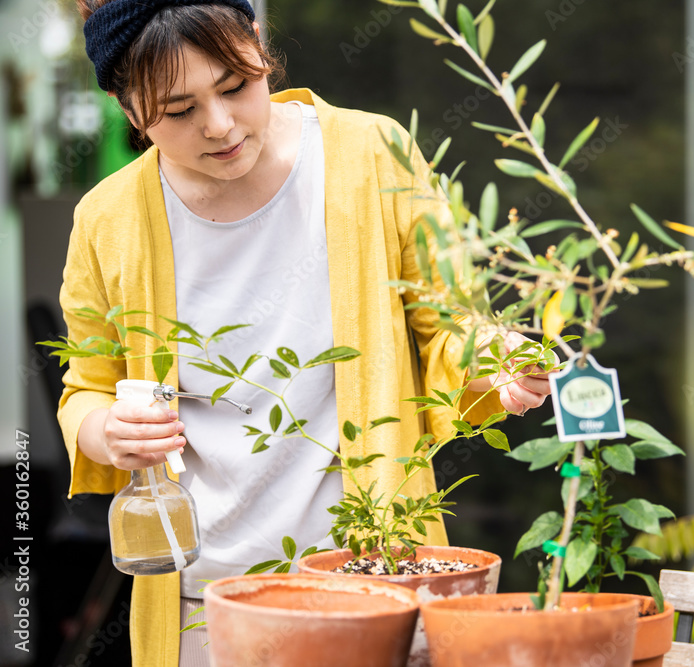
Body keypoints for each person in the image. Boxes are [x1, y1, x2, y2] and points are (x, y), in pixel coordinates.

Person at [60, 1, 552, 664]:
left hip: (375, 576)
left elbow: (448, 323)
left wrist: (497, 360)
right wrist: (106, 430)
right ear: (130, 111)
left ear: (260, 48)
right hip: (206, 603)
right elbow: (85, 390)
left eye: (236, 85)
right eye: (179, 112)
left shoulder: (373, 155)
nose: (221, 124)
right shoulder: (106, 220)